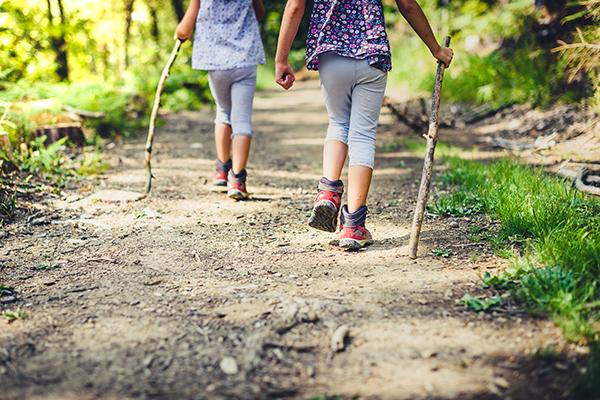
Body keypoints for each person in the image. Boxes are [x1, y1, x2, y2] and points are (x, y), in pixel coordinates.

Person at [275, 0, 454, 249]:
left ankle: (328, 192)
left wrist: (281, 59)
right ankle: (353, 226)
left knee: (338, 123)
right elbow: (408, 5)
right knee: (363, 136)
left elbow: (295, 6)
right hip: (372, 57)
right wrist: (435, 49)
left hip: (331, 56)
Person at [176, 0, 266, 200]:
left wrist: (181, 33)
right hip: (245, 58)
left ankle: (222, 170)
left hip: (215, 60)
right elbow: (260, 13)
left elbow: (186, 27)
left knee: (223, 112)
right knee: (242, 120)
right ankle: (237, 179)